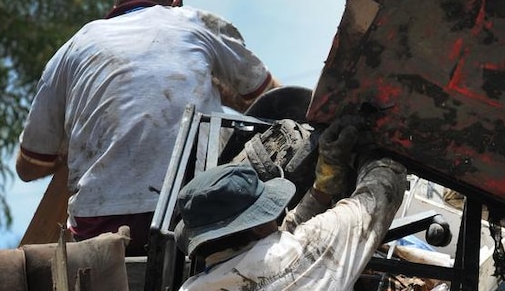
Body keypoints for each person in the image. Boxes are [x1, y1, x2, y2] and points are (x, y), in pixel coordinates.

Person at [15, 0, 280, 255]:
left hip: (98, 227)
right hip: (193, 212)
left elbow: (28, 167)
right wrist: (218, 88)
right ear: (175, 3)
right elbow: (275, 100)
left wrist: (71, 146)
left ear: (118, 4)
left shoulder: (72, 48)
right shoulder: (193, 21)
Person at [174, 117, 407, 291]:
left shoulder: (192, 287)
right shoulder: (300, 254)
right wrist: (366, 150)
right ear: (257, 224)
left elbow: (274, 246)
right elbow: (381, 195)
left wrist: (323, 185)